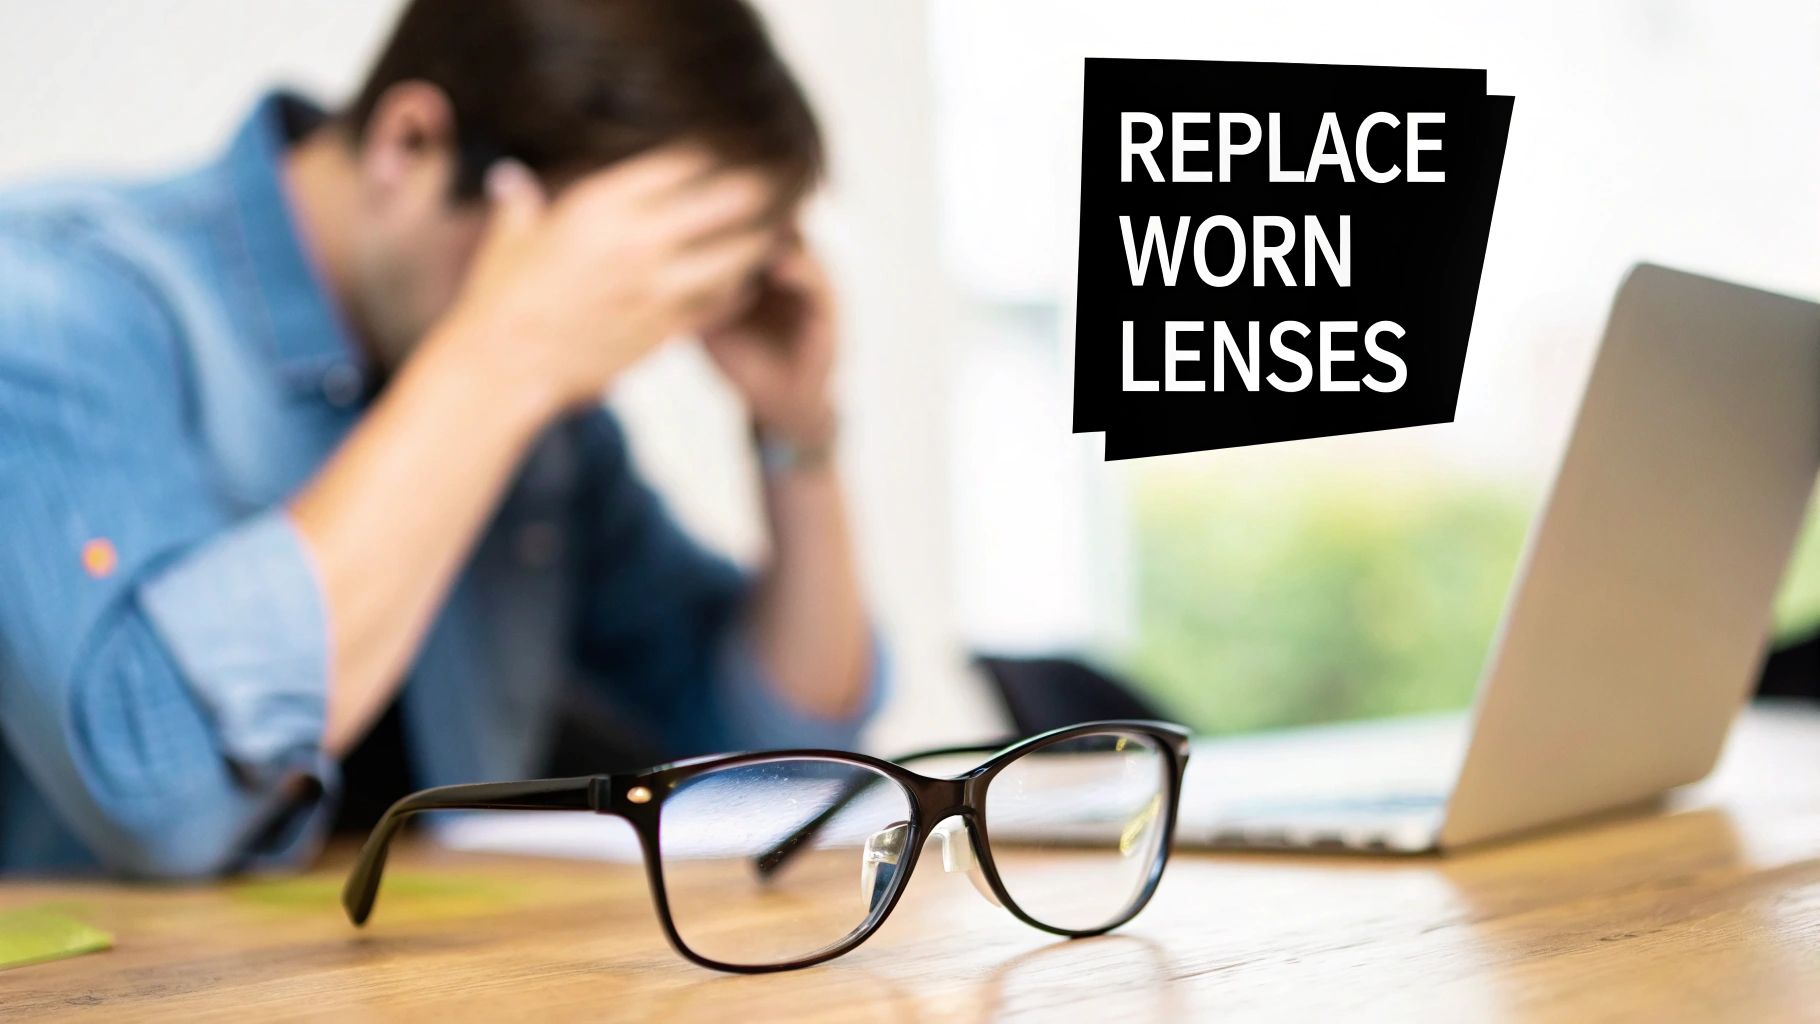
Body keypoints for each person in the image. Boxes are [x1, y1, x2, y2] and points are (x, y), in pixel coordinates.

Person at [0, 0, 882, 877]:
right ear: (410, 144)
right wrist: (507, 350)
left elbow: (782, 760)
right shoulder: (59, 301)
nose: (616, 355)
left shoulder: (548, 427)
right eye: (605, 283)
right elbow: (165, 794)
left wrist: (795, 433)